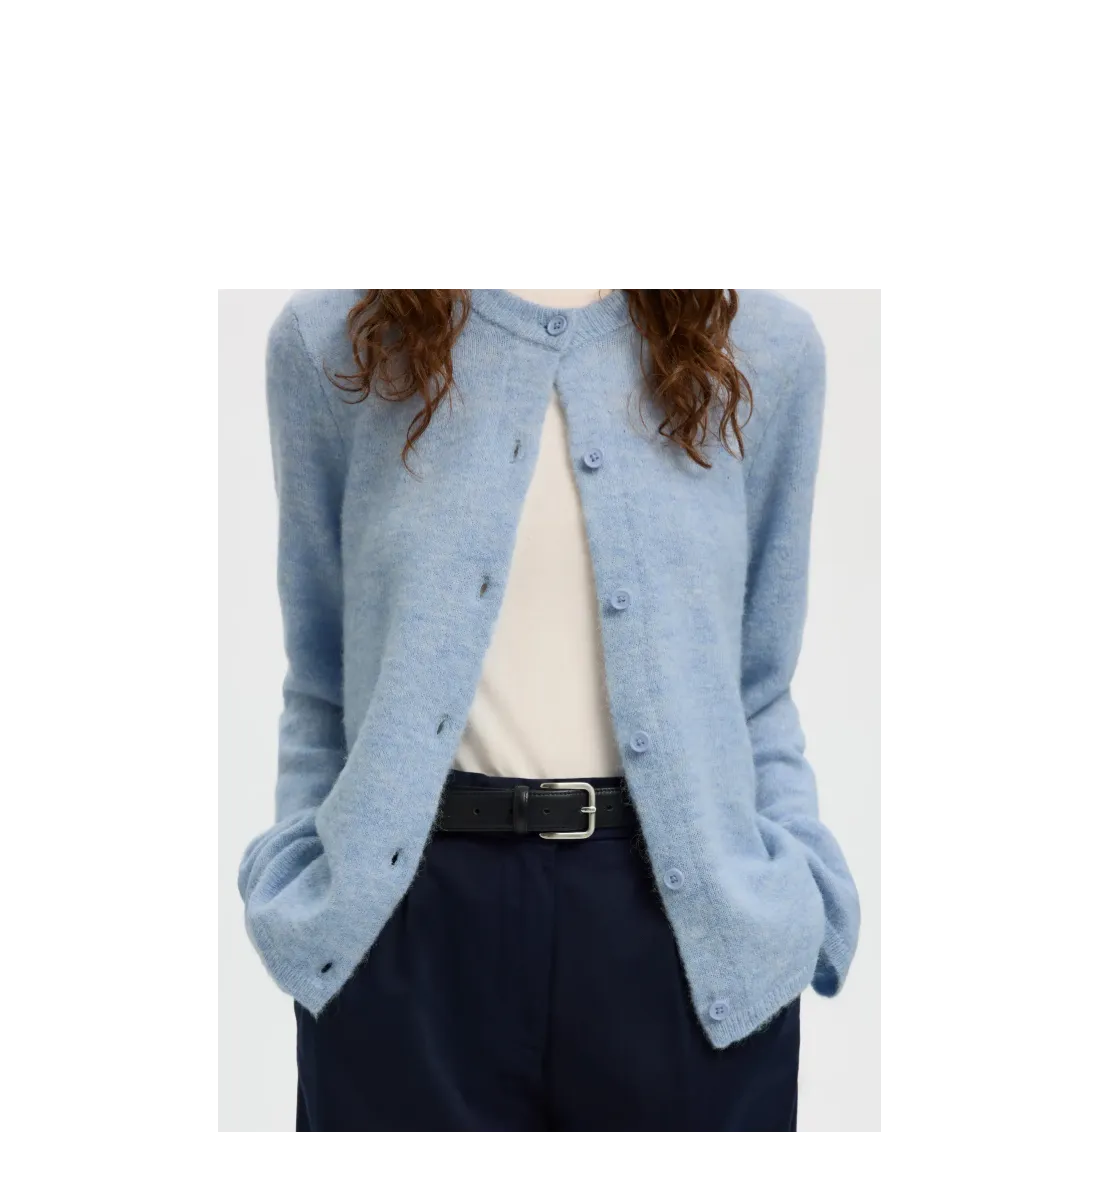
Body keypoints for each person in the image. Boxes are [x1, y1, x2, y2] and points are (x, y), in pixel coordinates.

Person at [237, 287, 861, 1135]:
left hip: (687, 931)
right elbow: (318, 677)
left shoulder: (758, 346)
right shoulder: (340, 342)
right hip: (406, 928)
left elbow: (760, 685)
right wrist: (302, 885)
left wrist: (800, 887)